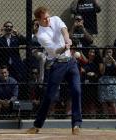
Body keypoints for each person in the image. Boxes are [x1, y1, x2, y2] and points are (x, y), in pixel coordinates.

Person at [27, 6, 82, 135]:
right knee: (50, 96)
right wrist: (64, 47)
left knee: (76, 90)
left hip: (71, 62)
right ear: (38, 20)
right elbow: (55, 52)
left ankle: (76, 125)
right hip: (57, 64)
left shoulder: (55, 19)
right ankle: (37, 125)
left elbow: (64, 29)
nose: (47, 20)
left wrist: (67, 39)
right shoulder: (41, 35)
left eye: (47, 17)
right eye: (44, 19)